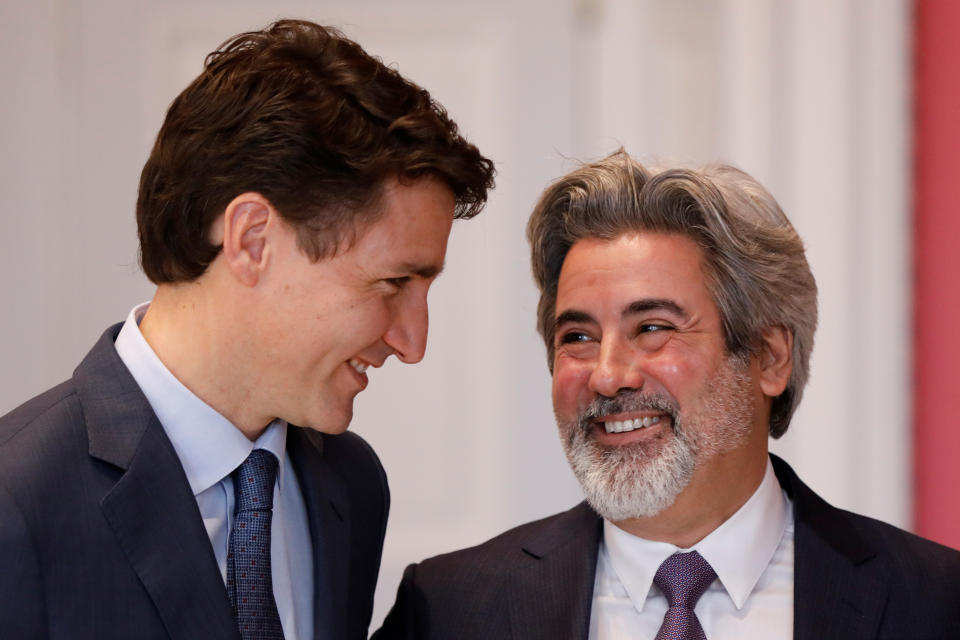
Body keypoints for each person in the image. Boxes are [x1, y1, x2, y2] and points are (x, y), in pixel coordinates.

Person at [0, 19, 494, 640]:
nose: (412, 344)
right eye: (393, 283)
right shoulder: (15, 507)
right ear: (253, 240)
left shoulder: (352, 486)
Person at [373, 150, 960, 639]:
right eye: (577, 336)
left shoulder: (934, 603)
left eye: (652, 328)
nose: (607, 376)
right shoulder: (449, 611)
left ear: (769, 357)